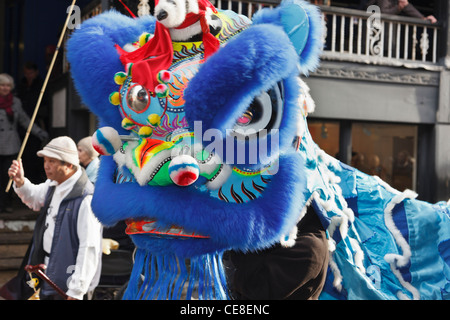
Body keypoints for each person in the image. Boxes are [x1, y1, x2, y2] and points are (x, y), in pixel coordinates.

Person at [7, 136, 103, 300]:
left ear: (69, 165)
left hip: (68, 281)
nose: (46, 166)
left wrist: (77, 290)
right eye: (45, 160)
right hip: (48, 272)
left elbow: (89, 248)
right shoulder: (53, 185)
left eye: (52, 161)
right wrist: (21, 181)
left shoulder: (85, 199)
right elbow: (35, 198)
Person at [0, 73, 48, 213]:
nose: (5, 88)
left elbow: (25, 121)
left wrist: (39, 132)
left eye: (8, 85)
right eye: (2, 85)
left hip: (11, 144)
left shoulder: (15, 102)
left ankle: (6, 204)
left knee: (8, 175)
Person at [17, 62, 50, 184]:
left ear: (36, 72)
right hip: (21, 125)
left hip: (36, 124)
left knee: (34, 156)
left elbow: (46, 104)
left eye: (30, 73)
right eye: (26, 73)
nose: (28, 75)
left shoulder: (42, 85)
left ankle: (34, 182)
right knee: (23, 156)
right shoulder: (21, 86)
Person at [366, 0, 437, 23]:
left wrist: (423, 18)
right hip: (371, 29)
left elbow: (406, 5)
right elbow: (383, 13)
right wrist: (399, 7)